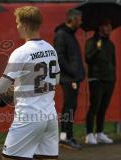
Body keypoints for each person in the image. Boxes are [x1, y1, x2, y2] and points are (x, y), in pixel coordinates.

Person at [0, 6, 60, 160]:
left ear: (24, 25)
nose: (16, 27)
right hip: (50, 116)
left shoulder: (21, 52)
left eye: (17, 23)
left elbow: (1, 87)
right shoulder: (51, 49)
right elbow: (56, 80)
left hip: (29, 116)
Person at [53, 9, 85, 149]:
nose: (81, 22)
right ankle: (65, 137)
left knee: (71, 107)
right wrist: (73, 73)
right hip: (68, 78)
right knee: (69, 107)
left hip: (73, 78)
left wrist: (78, 73)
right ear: (72, 19)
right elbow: (59, 58)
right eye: (79, 19)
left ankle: (68, 136)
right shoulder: (61, 35)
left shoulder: (70, 35)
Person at [85, 19, 115, 144]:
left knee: (103, 108)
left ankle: (100, 133)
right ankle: (89, 134)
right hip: (96, 79)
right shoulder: (91, 42)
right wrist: (97, 49)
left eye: (110, 26)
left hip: (109, 80)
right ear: (100, 27)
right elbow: (88, 59)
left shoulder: (110, 44)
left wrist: (114, 78)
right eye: (106, 26)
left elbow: (113, 63)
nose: (109, 28)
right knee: (94, 107)